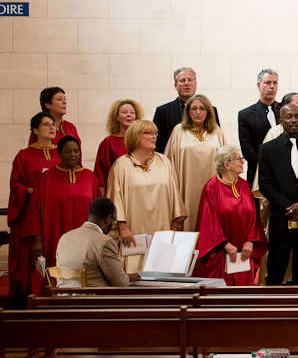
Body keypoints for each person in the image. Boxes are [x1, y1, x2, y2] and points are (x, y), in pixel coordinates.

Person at [106, 119, 186, 272]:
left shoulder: (165, 162)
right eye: (149, 133)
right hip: (133, 233)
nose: (154, 136)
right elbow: (114, 199)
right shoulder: (121, 165)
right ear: (136, 135)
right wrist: (122, 228)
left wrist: (174, 226)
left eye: (155, 133)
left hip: (162, 230)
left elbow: (175, 197)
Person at [258, 103, 298, 286]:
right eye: (288, 117)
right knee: (277, 267)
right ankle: (273, 310)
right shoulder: (267, 149)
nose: (293, 120)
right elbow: (265, 184)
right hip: (281, 216)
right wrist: (292, 208)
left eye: (296, 116)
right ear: (280, 121)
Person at [29, 136, 98, 294]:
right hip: (55, 236)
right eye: (67, 151)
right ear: (59, 154)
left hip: (84, 239)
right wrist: (38, 240)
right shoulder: (46, 178)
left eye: (76, 151)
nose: (73, 155)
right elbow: (35, 211)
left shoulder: (90, 177)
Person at [194, 146, 268, 286]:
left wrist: (251, 241)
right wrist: (225, 245)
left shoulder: (245, 185)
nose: (243, 162)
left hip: (244, 254)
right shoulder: (211, 188)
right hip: (221, 253)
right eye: (238, 159)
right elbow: (208, 223)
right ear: (226, 165)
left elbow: (253, 217)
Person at [8, 112, 61, 300]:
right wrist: (34, 192)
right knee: (32, 256)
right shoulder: (24, 155)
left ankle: (57, 291)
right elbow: (15, 185)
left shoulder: (63, 153)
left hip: (55, 214)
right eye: (47, 124)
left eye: (53, 124)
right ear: (36, 130)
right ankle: (29, 296)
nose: (52, 127)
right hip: (30, 213)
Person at [165, 94, 227, 231]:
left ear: (208, 112)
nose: (198, 112)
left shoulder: (217, 131)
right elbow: (168, 163)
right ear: (188, 111)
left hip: (213, 187)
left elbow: (225, 162)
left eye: (202, 108)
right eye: (193, 108)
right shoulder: (178, 131)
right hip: (186, 188)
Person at [55, 198, 141, 287]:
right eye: (114, 220)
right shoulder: (104, 242)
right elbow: (120, 283)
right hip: (91, 300)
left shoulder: (64, 238)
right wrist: (129, 277)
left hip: (63, 298)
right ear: (108, 219)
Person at [153, 68, 220, 154]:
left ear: (195, 84)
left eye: (190, 80)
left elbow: (217, 140)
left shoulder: (211, 110)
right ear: (175, 85)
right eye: (182, 80)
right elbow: (157, 144)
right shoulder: (163, 111)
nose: (186, 83)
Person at [94, 98, 144, 196]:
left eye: (132, 112)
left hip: (138, 192)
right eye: (124, 112)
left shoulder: (141, 142)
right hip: (117, 191)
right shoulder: (108, 142)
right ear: (117, 117)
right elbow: (101, 174)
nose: (129, 115)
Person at [238, 68, 280, 186]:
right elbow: (247, 149)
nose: (272, 86)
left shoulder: (285, 111)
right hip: (259, 174)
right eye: (267, 83)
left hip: (284, 174)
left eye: (275, 83)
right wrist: (269, 165)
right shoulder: (246, 115)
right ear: (259, 85)